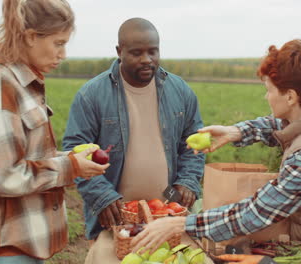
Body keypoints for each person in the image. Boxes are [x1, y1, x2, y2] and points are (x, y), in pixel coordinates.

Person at [131, 39, 301, 264]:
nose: (266, 96)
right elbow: (283, 126)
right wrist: (235, 132)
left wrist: (181, 223)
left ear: (291, 97)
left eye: (269, 89)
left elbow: (256, 212)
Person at [0, 0, 110, 263]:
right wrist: (70, 167)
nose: (64, 54)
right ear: (31, 37)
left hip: (22, 240)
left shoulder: (23, 84)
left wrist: (73, 159)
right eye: (59, 43)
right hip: (4, 246)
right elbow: (7, 176)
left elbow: (30, 155)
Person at [62, 18, 205, 263]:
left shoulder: (179, 90)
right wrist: (103, 197)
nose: (147, 59)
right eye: (137, 53)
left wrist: (188, 181)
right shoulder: (92, 95)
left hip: (167, 215)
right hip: (117, 221)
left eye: (153, 51)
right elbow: (75, 153)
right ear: (119, 52)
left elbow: (194, 143)